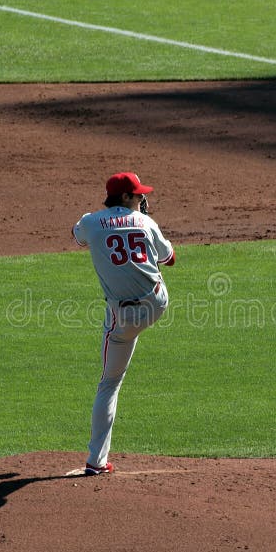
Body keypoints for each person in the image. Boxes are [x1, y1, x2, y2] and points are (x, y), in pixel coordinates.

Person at [72, 172, 176, 475]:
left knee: (109, 383)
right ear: (126, 198)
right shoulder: (147, 222)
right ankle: (97, 461)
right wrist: (142, 223)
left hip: (122, 319)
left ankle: (96, 461)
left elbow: (77, 236)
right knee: (147, 288)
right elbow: (169, 258)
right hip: (157, 304)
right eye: (139, 194)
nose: (143, 198)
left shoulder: (91, 222)